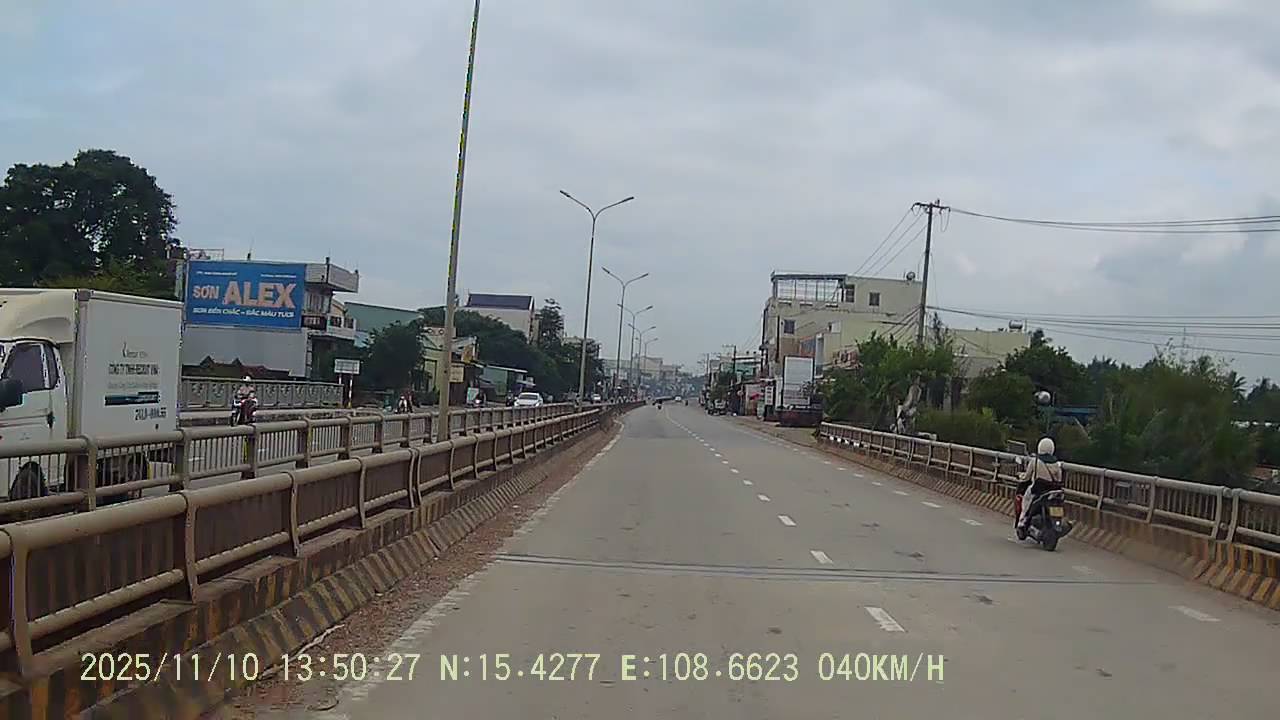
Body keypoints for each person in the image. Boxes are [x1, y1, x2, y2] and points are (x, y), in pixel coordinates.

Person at [1016, 437, 1063, 531]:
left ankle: (1022, 520)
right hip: (1052, 491)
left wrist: (1020, 476)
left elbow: (1027, 477)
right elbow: (1059, 479)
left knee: (1026, 500)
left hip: (1038, 489)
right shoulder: (1056, 463)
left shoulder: (1035, 461)